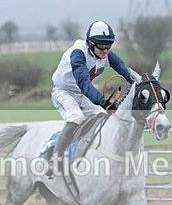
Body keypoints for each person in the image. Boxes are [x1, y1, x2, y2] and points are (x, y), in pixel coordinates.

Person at [45, 20, 134, 175]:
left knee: (102, 118)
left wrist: (139, 83)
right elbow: (84, 83)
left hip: (81, 94)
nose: (106, 50)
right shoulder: (78, 53)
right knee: (76, 117)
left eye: (109, 45)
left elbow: (125, 70)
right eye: (101, 45)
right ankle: (54, 157)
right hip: (63, 92)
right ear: (90, 43)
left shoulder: (104, 53)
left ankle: (88, 154)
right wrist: (103, 102)